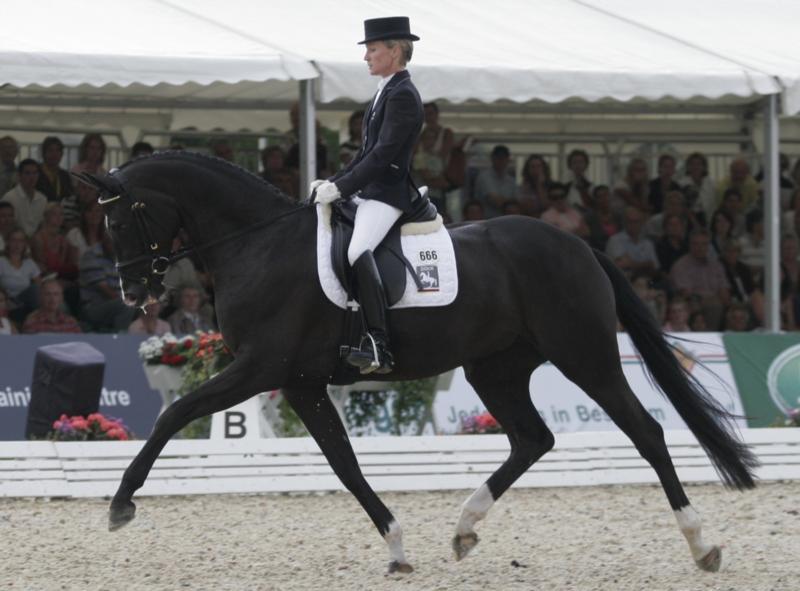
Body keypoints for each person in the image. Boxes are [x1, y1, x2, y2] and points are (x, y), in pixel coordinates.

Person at [310, 16, 423, 374]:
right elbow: (363, 154)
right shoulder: (385, 90)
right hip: (370, 189)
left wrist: (342, 188)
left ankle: (378, 343)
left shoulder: (403, 94)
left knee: (359, 249)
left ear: (394, 49)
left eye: (372, 50)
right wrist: (333, 182)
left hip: (388, 193)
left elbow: (383, 155)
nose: (367, 57)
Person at [669, 229, 730, 330]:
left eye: (704, 244)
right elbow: (685, 293)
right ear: (690, 245)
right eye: (696, 244)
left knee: (734, 310)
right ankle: (709, 338)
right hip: (693, 302)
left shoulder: (716, 265)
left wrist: (724, 299)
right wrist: (710, 299)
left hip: (715, 301)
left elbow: (724, 291)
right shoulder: (681, 265)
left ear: (709, 246)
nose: (700, 248)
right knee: (713, 306)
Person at [78, 234, 134, 332]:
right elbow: (106, 290)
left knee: (152, 305)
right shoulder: (91, 256)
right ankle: (120, 341)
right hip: (95, 307)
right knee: (126, 305)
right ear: (105, 240)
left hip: (118, 302)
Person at [0, 228, 41, 325]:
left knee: (39, 290)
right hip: (7, 300)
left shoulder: (29, 263)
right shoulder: (1, 261)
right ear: (7, 242)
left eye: (20, 241)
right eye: (14, 240)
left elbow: (39, 284)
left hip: (25, 300)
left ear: (25, 244)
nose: (17, 244)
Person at [605, 206, 659, 277]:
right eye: (630, 221)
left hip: (648, 281)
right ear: (624, 222)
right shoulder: (615, 240)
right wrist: (646, 264)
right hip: (622, 281)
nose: (633, 225)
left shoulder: (648, 243)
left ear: (641, 223)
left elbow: (655, 267)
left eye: (636, 221)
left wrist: (633, 264)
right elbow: (622, 266)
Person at [1, 159, 47, 238]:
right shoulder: (9, 198)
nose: (32, 177)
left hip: (36, 241)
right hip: (14, 241)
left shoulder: (42, 199)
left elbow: (42, 225)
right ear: (19, 176)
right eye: (27, 173)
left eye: (35, 173)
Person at [474, 145, 516, 218]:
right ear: (492, 158)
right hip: (487, 221)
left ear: (508, 160)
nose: (501, 161)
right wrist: (509, 203)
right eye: (498, 158)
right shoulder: (484, 177)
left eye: (504, 158)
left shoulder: (511, 180)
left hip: (506, 221)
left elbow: (516, 204)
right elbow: (495, 201)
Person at [679, 152, 716, 225]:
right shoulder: (681, 184)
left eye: (699, 164)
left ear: (704, 167)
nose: (695, 167)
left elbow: (712, 205)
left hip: (707, 218)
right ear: (688, 167)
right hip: (688, 219)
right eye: (692, 164)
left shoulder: (710, 183)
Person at [582, 185, 621, 251]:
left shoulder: (618, 215)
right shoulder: (590, 218)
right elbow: (588, 239)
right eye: (600, 197)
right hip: (599, 251)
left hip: (618, 250)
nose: (604, 199)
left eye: (606, 195)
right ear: (595, 200)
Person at [36, 136, 73, 202]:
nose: (54, 154)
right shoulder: (35, 173)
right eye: (50, 150)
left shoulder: (64, 175)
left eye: (57, 150)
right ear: (44, 153)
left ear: (61, 154)